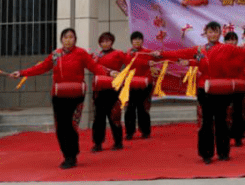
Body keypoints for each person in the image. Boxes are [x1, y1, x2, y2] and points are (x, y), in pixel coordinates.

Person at [156, 21, 245, 164]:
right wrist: (160, 54)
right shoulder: (200, 50)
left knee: (222, 121)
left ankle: (223, 152)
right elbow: (180, 54)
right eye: (210, 32)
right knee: (206, 122)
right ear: (206, 34)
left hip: (222, 89)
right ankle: (207, 154)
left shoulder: (228, 49)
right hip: (204, 89)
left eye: (215, 32)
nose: (212, 35)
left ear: (219, 33)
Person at [10, 28, 116, 169]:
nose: (68, 40)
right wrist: (22, 73)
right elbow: (41, 67)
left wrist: (110, 72)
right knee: (61, 127)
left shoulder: (81, 53)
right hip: (59, 95)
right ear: (61, 39)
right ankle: (67, 155)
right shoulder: (55, 55)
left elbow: (94, 67)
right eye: (65, 37)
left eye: (71, 37)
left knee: (71, 126)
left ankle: (72, 155)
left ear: (75, 39)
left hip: (76, 94)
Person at [91, 32, 127, 152]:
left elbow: (130, 63)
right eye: (102, 41)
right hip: (99, 89)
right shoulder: (96, 55)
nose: (105, 43)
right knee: (98, 118)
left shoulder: (118, 53)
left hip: (113, 89)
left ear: (112, 42)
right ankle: (98, 143)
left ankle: (118, 142)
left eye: (107, 41)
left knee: (114, 116)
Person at [123, 31, 154, 141]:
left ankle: (145, 131)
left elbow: (155, 62)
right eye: (135, 39)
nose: (137, 41)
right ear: (131, 41)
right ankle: (129, 132)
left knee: (143, 109)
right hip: (131, 85)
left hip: (144, 85)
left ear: (142, 41)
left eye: (139, 39)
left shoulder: (148, 52)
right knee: (130, 109)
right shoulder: (127, 53)